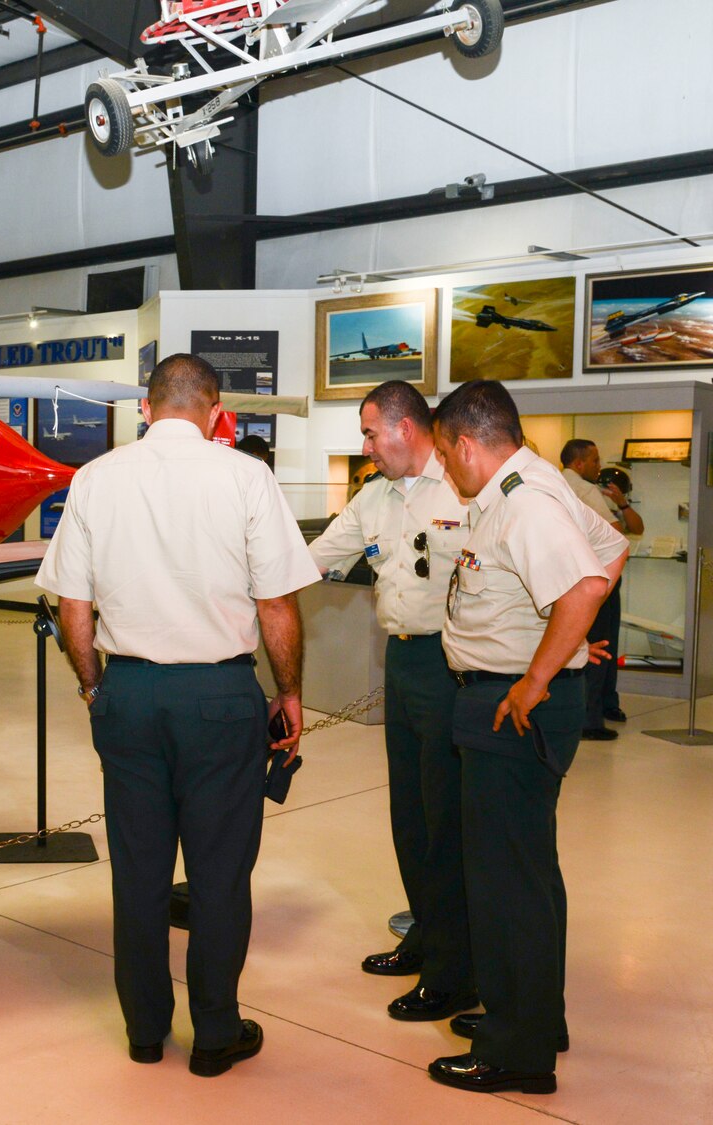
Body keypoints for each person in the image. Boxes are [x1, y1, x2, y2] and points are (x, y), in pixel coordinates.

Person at [37, 352, 318, 1077]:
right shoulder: (246, 476)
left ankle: (143, 1027)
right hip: (221, 698)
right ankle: (216, 1032)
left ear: (147, 408)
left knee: (138, 871)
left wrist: (97, 687)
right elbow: (277, 603)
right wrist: (288, 693)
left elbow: (73, 604)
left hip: (128, 695)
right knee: (221, 873)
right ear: (216, 409)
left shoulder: (97, 479)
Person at [429, 382, 626, 1096]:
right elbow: (612, 551)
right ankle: (538, 1016)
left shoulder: (523, 499)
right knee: (529, 872)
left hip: (511, 703)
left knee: (506, 880)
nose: (447, 471)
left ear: (468, 443)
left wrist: (541, 674)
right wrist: (569, 652)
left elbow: (579, 589)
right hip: (513, 695)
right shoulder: (538, 483)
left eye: (447, 456)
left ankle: (519, 1050)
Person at [306, 382, 475, 1024]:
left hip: (452, 662)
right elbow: (312, 558)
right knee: (409, 811)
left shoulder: (462, 486)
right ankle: (428, 935)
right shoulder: (373, 499)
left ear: (407, 428)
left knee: (444, 816)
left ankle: (455, 968)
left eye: (372, 432)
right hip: (402, 661)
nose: (366, 446)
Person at [559, 440, 643, 738]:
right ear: (579, 463)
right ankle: (591, 719)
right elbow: (613, 532)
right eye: (594, 460)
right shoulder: (585, 489)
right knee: (600, 644)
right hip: (597, 575)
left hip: (573, 575)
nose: (599, 466)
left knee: (593, 641)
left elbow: (637, 526)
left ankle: (605, 704)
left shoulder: (560, 484)